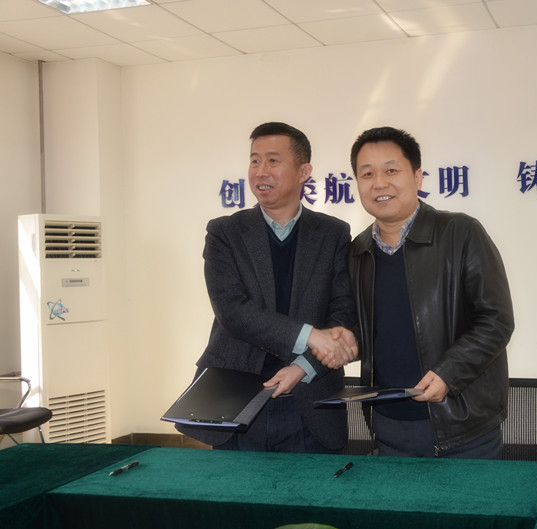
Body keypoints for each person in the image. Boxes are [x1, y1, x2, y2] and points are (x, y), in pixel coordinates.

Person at [177, 122, 358, 453]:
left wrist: (302, 367)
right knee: (238, 489)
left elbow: (343, 313)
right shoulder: (224, 233)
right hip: (237, 398)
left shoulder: (333, 234)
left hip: (310, 402)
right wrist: (311, 336)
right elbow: (233, 312)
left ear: (304, 172)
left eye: (273, 161)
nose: (260, 171)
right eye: (254, 160)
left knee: (313, 487)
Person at [346, 126, 514, 459]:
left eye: (391, 170)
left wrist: (449, 374)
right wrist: (343, 341)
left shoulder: (460, 233)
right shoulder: (358, 252)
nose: (379, 183)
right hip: (388, 427)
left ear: (417, 177)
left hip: (462, 430)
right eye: (367, 174)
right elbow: (369, 331)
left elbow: (496, 320)